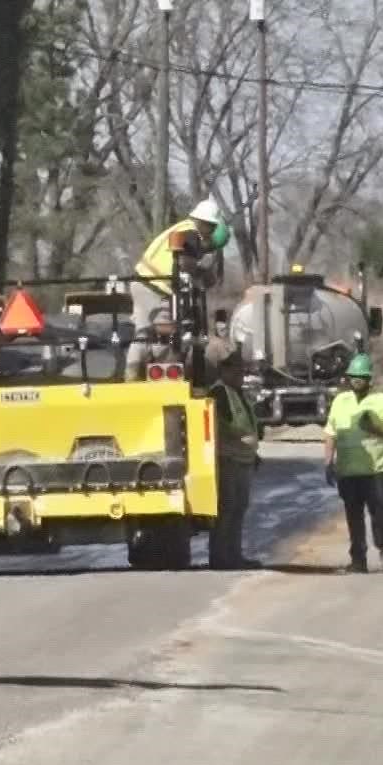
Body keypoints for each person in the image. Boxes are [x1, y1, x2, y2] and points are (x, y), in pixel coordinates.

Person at [127, 198, 230, 380]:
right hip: (158, 288)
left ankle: (131, 374)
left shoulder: (181, 227)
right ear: (206, 224)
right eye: (211, 229)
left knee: (143, 334)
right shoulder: (191, 234)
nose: (210, 234)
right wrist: (202, 273)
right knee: (166, 337)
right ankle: (163, 380)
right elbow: (185, 263)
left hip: (141, 282)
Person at [323, 352, 383, 572]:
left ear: (369, 378)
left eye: (361, 376)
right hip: (348, 472)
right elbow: (331, 432)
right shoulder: (340, 401)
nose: (356, 379)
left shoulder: (381, 401)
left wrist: (376, 429)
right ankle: (358, 560)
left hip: (376, 470)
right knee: (354, 518)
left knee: (381, 515)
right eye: (353, 376)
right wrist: (328, 462)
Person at [206, 350, 261, 569]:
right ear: (224, 370)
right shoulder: (219, 393)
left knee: (238, 508)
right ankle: (221, 557)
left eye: (242, 370)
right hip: (228, 459)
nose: (241, 374)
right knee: (226, 509)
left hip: (243, 459)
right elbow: (218, 426)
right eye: (236, 369)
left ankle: (234, 555)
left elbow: (246, 424)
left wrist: (252, 451)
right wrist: (238, 443)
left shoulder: (236, 392)